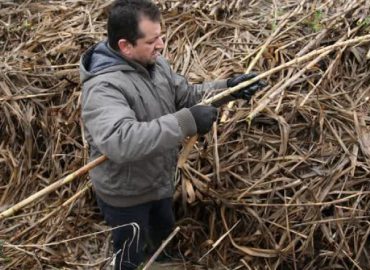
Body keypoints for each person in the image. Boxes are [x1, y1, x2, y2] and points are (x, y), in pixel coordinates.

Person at [79, 0, 265, 269]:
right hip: (126, 197)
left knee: (164, 241)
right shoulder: (104, 88)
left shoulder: (154, 64)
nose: (161, 45)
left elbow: (187, 96)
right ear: (125, 46)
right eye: (153, 40)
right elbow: (121, 140)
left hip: (159, 183)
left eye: (161, 37)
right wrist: (187, 122)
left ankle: (163, 261)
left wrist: (230, 88)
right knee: (128, 256)